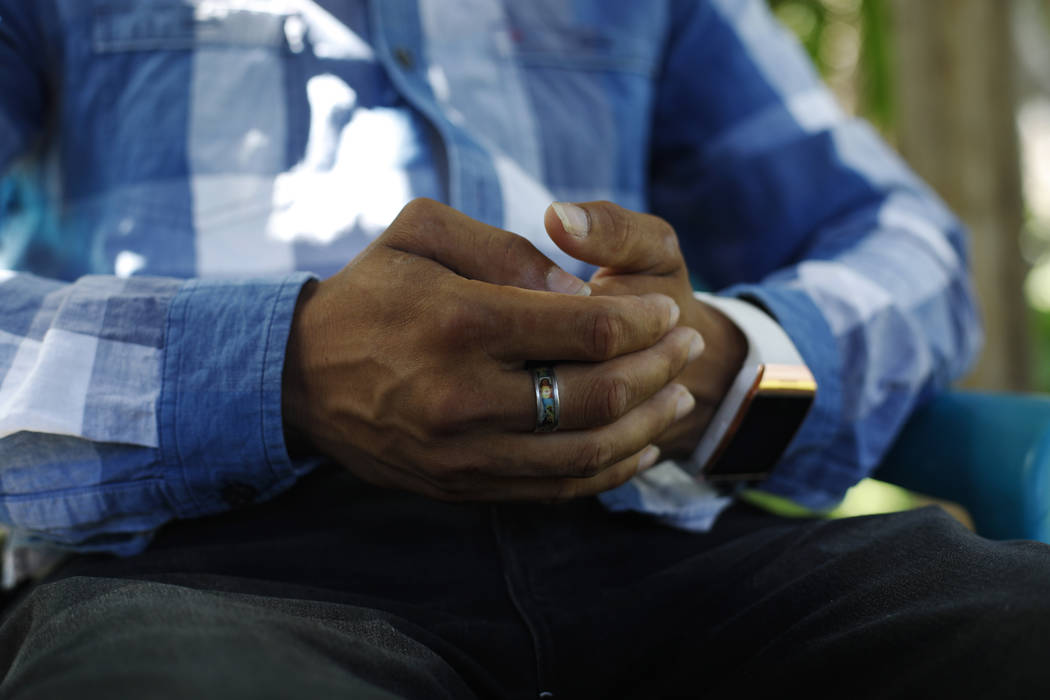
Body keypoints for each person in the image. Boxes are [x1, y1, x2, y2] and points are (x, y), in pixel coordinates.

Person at [0, 0, 1047, 698]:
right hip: (205, 571)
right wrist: (281, 370)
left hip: (659, 536)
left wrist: (716, 364)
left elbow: (910, 247)